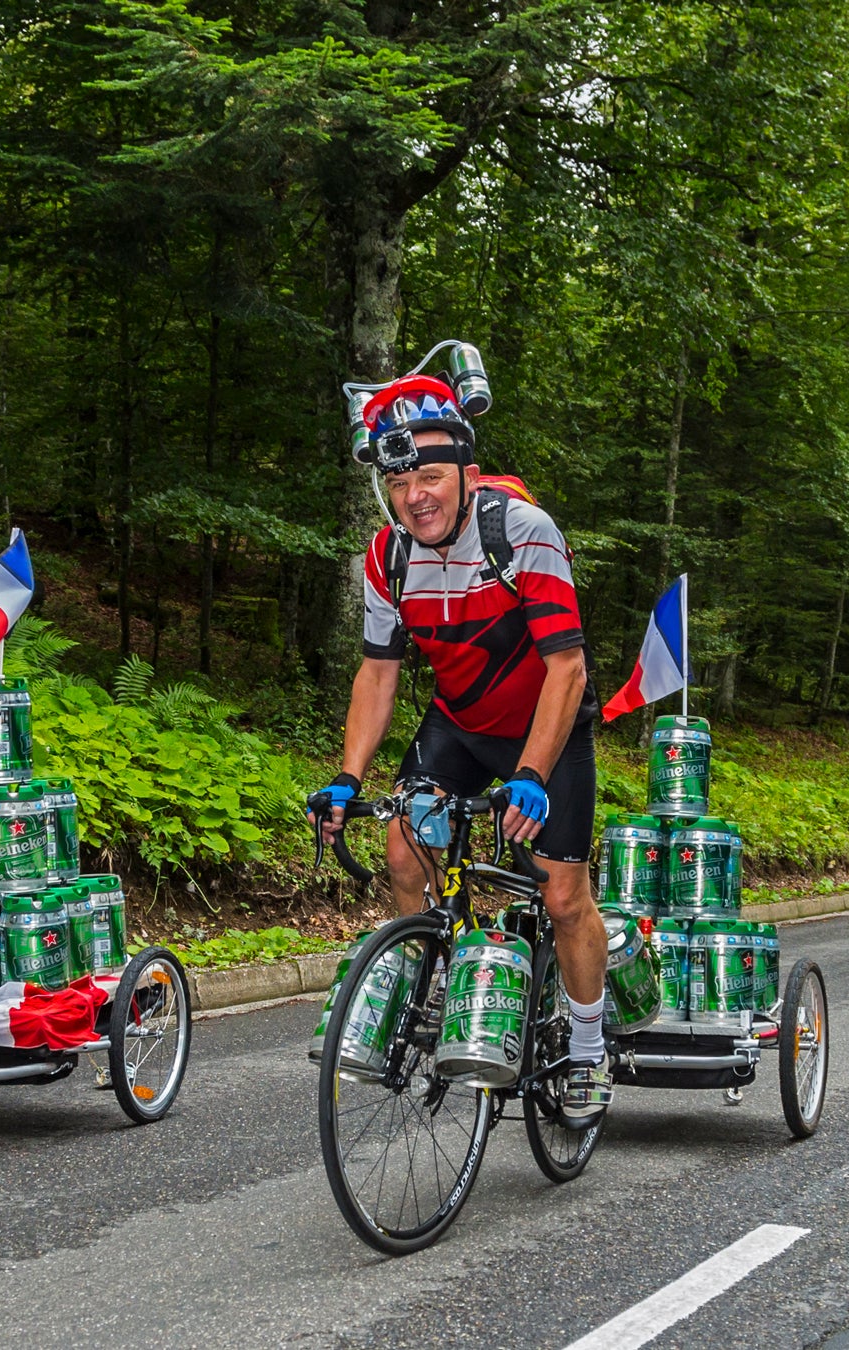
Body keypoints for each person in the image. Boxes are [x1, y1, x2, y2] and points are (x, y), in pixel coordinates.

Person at [307, 372, 611, 1121]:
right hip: (462, 725)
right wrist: (350, 776)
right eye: (400, 479)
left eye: (431, 476)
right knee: (405, 847)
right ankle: (437, 980)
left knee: (563, 895)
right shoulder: (388, 558)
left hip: (547, 720)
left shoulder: (522, 531)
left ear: (468, 475)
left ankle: (586, 1047)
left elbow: (566, 666)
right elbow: (379, 675)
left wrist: (534, 772)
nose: (416, 495)